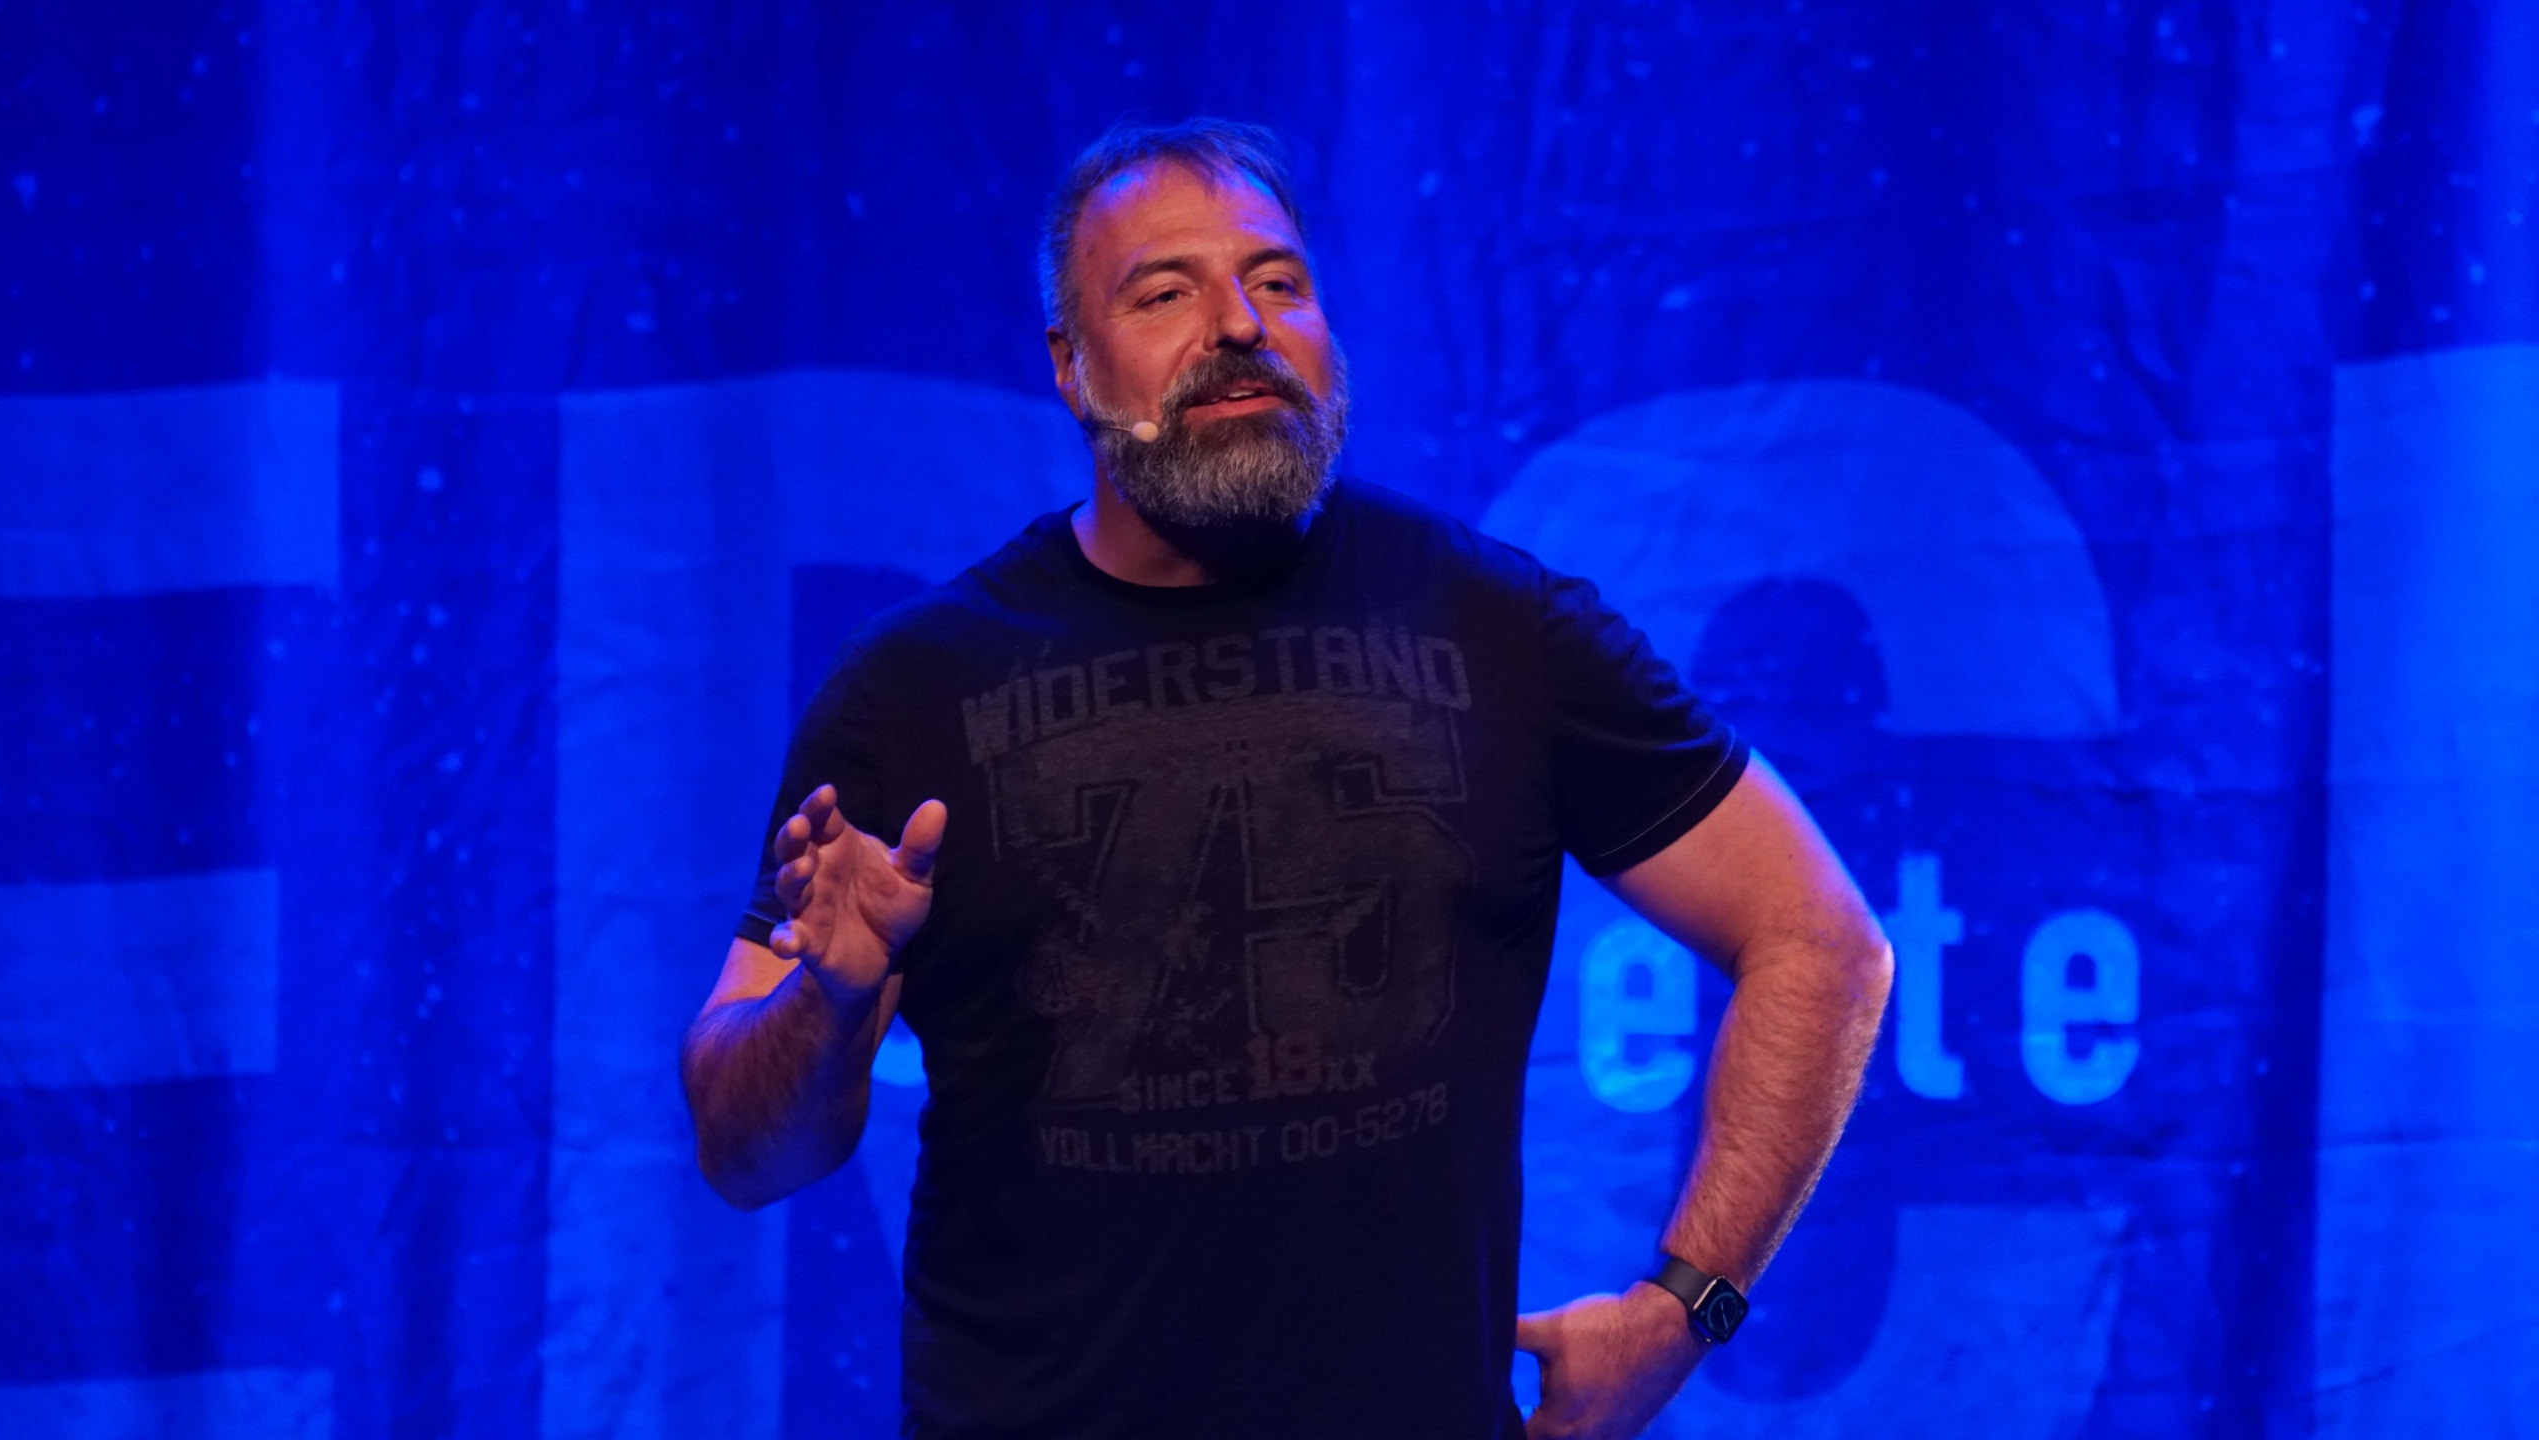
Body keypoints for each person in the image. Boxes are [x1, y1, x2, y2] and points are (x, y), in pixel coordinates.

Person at [680, 118, 1892, 1440]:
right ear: (1071, 366)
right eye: (1164, 293)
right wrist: (829, 999)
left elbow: (1823, 941)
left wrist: (1683, 1310)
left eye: (1278, 281)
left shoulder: (1493, 627)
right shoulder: (918, 687)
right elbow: (747, 1155)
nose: (1239, 325)